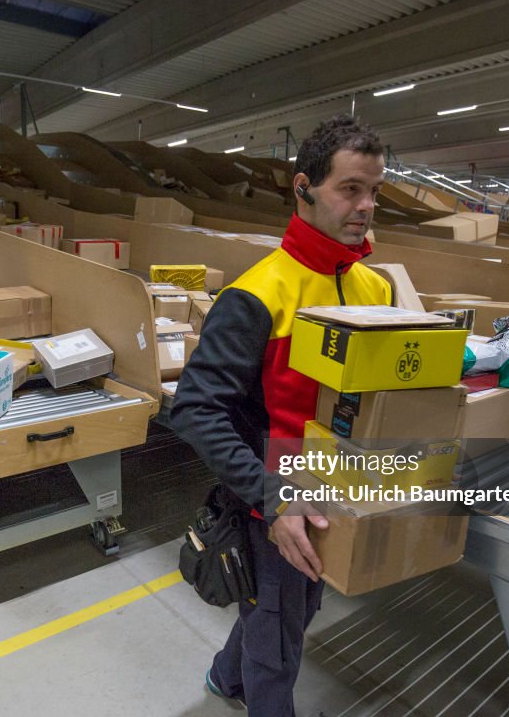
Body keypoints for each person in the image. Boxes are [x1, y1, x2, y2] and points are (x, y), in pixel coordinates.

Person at [170, 114, 392, 716]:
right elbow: (194, 407)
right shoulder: (258, 295)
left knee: (296, 609)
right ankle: (249, 687)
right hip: (272, 494)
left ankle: (224, 678)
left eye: (374, 191)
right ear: (303, 189)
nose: (366, 206)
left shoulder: (375, 289)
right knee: (278, 645)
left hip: (336, 485)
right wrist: (272, 497)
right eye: (350, 189)